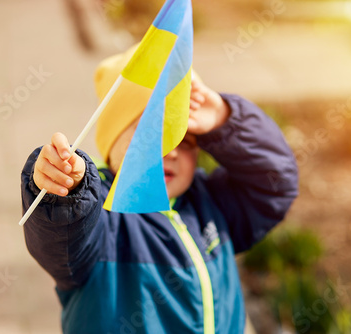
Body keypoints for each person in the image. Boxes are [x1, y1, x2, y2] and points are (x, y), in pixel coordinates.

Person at [21, 48, 299, 334]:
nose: (171, 151)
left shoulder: (212, 202)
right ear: (113, 147)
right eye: (152, 135)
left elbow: (276, 182)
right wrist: (62, 191)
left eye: (185, 139)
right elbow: (61, 240)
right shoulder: (101, 214)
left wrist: (224, 119)